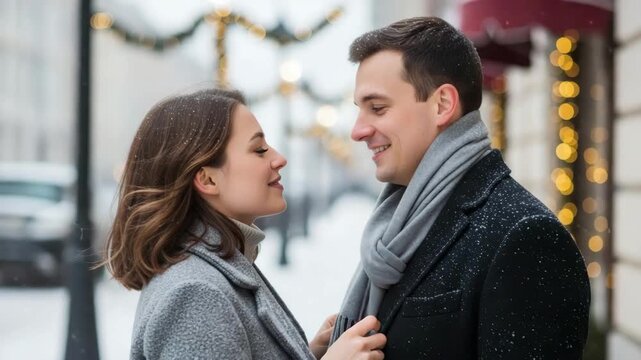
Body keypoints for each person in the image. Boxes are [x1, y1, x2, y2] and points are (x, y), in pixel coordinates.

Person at [330, 17, 591, 359]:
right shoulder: (398, 223)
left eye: (377, 108)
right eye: (359, 110)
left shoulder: (525, 236)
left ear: (442, 105)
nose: (358, 131)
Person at [104, 88, 386, 359]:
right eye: (260, 149)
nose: (279, 158)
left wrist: (307, 352)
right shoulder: (196, 296)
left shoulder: (215, 267)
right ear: (208, 179)